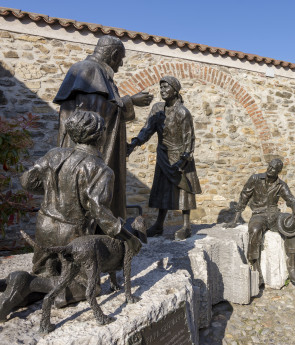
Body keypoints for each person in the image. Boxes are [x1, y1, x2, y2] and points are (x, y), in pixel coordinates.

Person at [0, 110, 141, 319]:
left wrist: (52, 189)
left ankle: (19, 285)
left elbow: (27, 180)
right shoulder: (100, 169)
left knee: (47, 272)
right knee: (87, 286)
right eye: (103, 130)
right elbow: (98, 209)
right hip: (73, 232)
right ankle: (27, 282)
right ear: (98, 135)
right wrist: (128, 237)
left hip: (44, 225)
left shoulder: (54, 154)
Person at [54, 35, 153, 220]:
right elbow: (93, 116)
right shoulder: (89, 70)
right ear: (114, 54)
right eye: (121, 60)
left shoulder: (94, 72)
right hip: (87, 155)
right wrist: (130, 100)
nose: (121, 65)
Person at [127, 76, 201, 240]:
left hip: (180, 156)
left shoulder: (182, 112)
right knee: (162, 190)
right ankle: (159, 225)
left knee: (183, 191)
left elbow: (190, 139)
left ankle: (186, 225)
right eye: (161, 88)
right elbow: (147, 130)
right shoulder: (157, 109)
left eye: (166, 87)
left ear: (175, 91)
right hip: (163, 155)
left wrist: (183, 161)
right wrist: (133, 145)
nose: (162, 91)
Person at [225, 159, 295, 285]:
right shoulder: (255, 179)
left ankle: (292, 264)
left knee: (291, 225)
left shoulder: (281, 185)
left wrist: (294, 210)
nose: (270, 170)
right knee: (254, 230)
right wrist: (235, 219)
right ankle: (256, 267)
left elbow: (290, 198)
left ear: (278, 171)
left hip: (274, 215)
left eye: (274, 169)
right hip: (259, 214)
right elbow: (244, 196)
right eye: (269, 167)